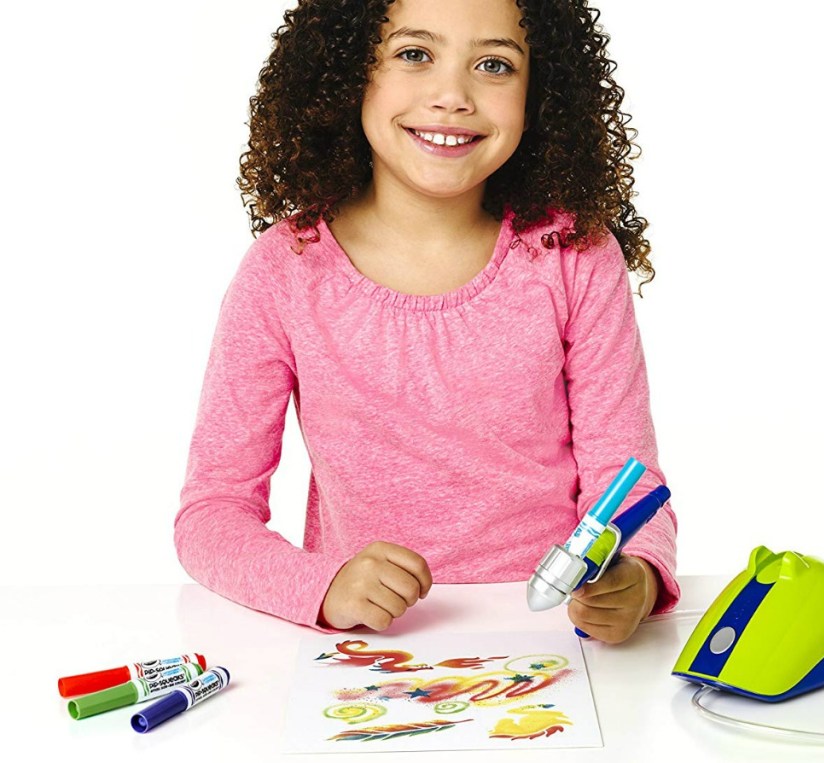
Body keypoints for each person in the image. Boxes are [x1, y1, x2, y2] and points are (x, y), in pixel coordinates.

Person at [175, 0, 679, 644]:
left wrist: (635, 573)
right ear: (348, 72)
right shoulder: (286, 270)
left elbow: (629, 477)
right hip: (371, 651)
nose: (451, 95)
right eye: (415, 54)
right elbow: (212, 512)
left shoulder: (574, 254)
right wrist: (321, 586)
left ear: (542, 93)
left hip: (550, 641)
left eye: (494, 64)